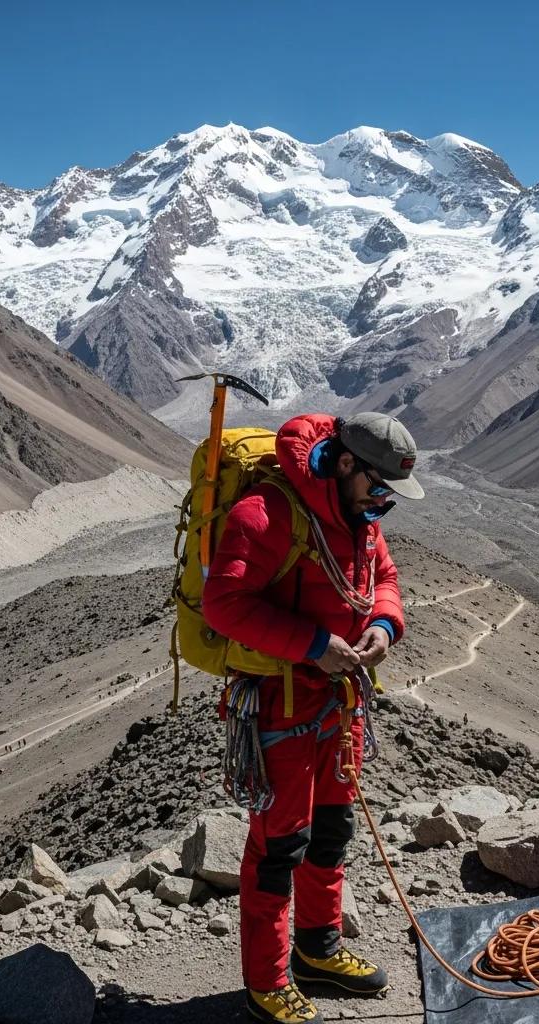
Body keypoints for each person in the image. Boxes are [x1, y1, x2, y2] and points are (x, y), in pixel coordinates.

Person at [203, 412, 424, 1024]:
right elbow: (224, 604)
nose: (385, 504)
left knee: (330, 833)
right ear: (347, 464)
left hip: (336, 703)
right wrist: (312, 646)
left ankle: (317, 952)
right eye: (380, 488)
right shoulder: (266, 512)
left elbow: (385, 578)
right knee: (279, 848)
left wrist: (383, 625)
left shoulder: (361, 517)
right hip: (281, 705)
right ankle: (266, 983)